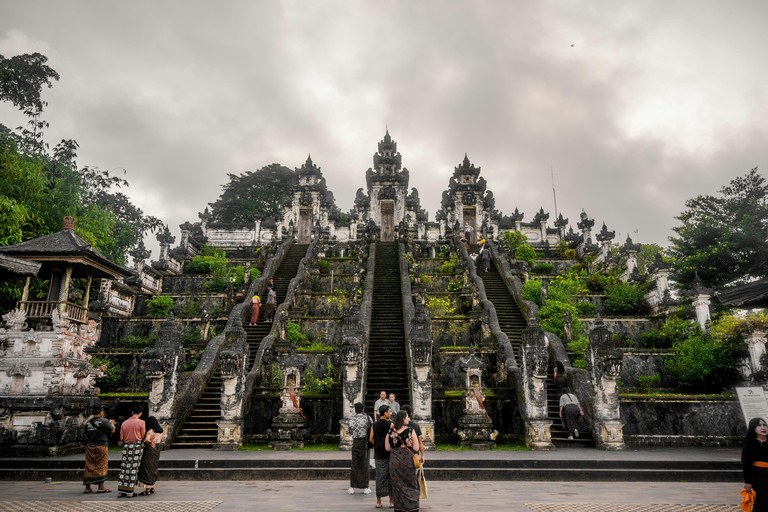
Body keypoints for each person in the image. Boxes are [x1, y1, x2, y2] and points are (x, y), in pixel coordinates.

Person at [385, 410, 420, 512]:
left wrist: (397, 449)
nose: (408, 419)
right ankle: (412, 506)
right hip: (408, 460)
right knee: (411, 483)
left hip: (395, 461)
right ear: (403, 419)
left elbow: (387, 448)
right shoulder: (410, 430)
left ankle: (399, 507)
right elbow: (416, 448)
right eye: (407, 417)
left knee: (397, 485)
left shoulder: (391, 432)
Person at [83, 405, 115, 494]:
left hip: (90, 446)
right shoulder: (104, 421)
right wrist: (112, 423)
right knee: (102, 465)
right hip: (101, 445)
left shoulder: (88, 423)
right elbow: (112, 431)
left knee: (89, 466)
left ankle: (87, 487)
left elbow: (86, 434)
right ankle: (101, 487)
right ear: (101, 413)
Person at [117, 405, 146, 498]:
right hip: (136, 447)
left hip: (126, 447)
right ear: (140, 413)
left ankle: (121, 491)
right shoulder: (141, 422)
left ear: (132, 412)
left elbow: (121, 438)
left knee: (124, 468)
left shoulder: (124, 423)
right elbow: (142, 437)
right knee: (133, 469)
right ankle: (130, 491)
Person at [369, 405, 393, 509]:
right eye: (389, 411)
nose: (390, 413)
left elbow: (371, 438)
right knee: (390, 476)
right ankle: (391, 501)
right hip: (389, 453)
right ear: (385, 413)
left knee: (379, 477)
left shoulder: (374, 424)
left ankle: (378, 501)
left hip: (378, 453)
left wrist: (377, 444)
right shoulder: (391, 424)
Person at [743, 417, 768, 511]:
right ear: (753, 428)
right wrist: (748, 482)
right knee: (761, 502)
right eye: (759, 425)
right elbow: (746, 465)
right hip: (759, 478)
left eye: (764, 425)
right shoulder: (749, 444)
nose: (763, 428)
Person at [347, 402, 373, 495]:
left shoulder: (352, 419)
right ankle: (366, 486)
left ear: (355, 410)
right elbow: (372, 429)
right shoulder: (368, 418)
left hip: (356, 442)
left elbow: (350, 432)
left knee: (355, 464)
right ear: (363, 410)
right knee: (365, 464)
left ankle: (352, 486)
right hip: (365, 443)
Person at [136, 416, 164, 496]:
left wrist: (151, 443)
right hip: (157, 449)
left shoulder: (151, 431)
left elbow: (147, 439)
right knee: (153, 467)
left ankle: (147, 489)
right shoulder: (160, 431)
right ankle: (152, 486)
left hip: (150, 450)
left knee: (147, 467)